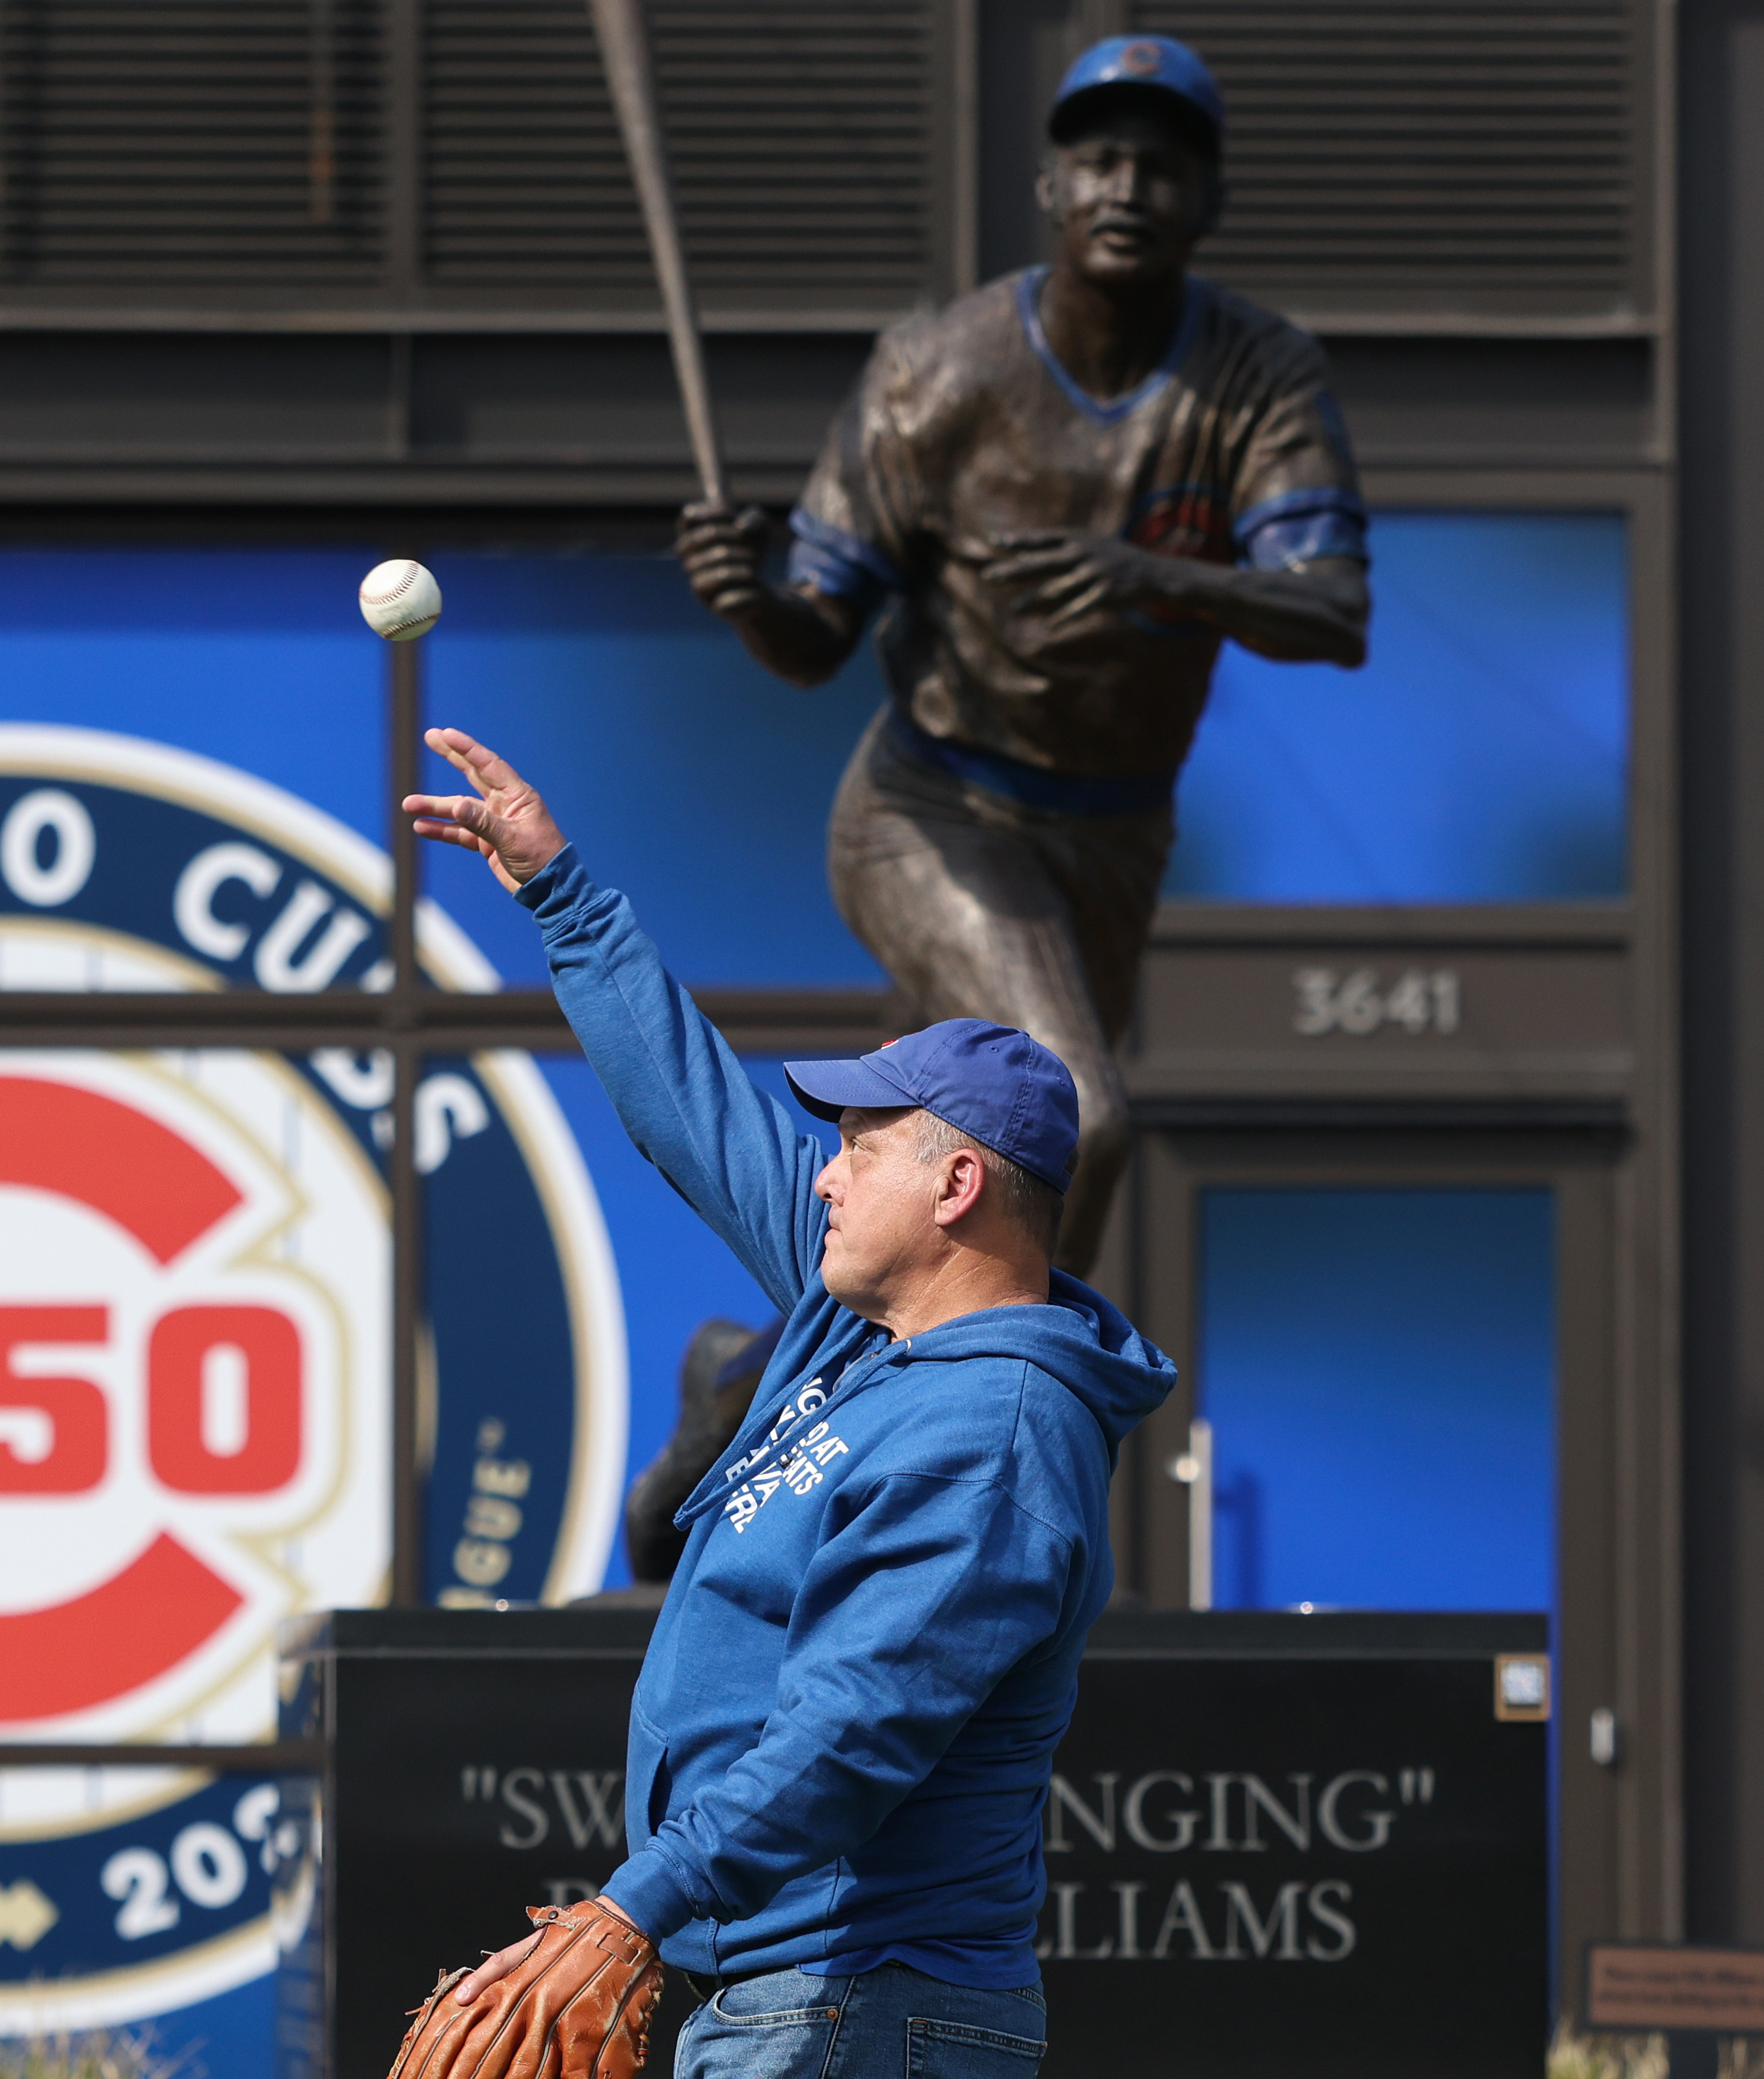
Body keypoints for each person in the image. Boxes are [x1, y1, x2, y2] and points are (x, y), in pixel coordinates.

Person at [396, 727, 1175, 2079]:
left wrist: (637, 1904)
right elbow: (693, 1112)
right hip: (794, 2000)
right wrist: (559, 890)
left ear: (956, 1189)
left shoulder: (993, 1430)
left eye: (860, 1149)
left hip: (871, 2012)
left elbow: (857, 1721)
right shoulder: (859, 1328)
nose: (823, 1172)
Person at [675, 33, 1370, 1279]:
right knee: (1076, 1123)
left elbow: (1333, 612)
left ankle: (739, 1381)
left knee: (928, 1192)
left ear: (1206, 198)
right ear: (1050, 190)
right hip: (934, 806)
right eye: (1097, 162)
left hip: (1114, 834)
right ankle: (1035, 1395)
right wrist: (748, 599)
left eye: (1160, 167)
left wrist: (1149, 572)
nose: (1126, 190)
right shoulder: (935, 370)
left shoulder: (1257, 372)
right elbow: (812, 642)